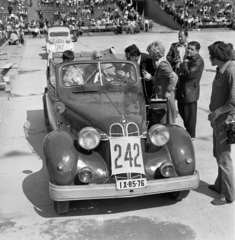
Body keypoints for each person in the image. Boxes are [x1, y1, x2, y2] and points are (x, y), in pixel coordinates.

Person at [207, 41, 235, 205]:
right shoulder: (220, 69)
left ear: (219, 56)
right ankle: (220, 185)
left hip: (225, 121)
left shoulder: (231, 70)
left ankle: (228, 194)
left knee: (224, 158)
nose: (209, 57)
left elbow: (233, 101)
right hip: (217, 120)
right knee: (218, 155)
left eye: (211, 55)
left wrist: (216, 112)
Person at [143, 41, 178, 124]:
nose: (149, 55)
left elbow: (174, 77)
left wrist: (168, 91)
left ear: (155, 53)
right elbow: (160, 79)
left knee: (165, 122)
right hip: (162, 97)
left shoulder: (163, 65)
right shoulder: (160, 64)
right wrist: (151, 77)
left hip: (165, 98)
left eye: (150, 53)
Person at [176, 41, 204, 140]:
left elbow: (188, 74)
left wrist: (184, 63)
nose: (189, 50)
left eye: (192, 49)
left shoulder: (198, 61)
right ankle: (189, 133)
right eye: (188, 48)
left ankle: (191, 135)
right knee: (183, 114)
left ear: (197, 51)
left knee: (190, 118)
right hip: (182, 92)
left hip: (190, 93)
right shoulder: (188, 58)